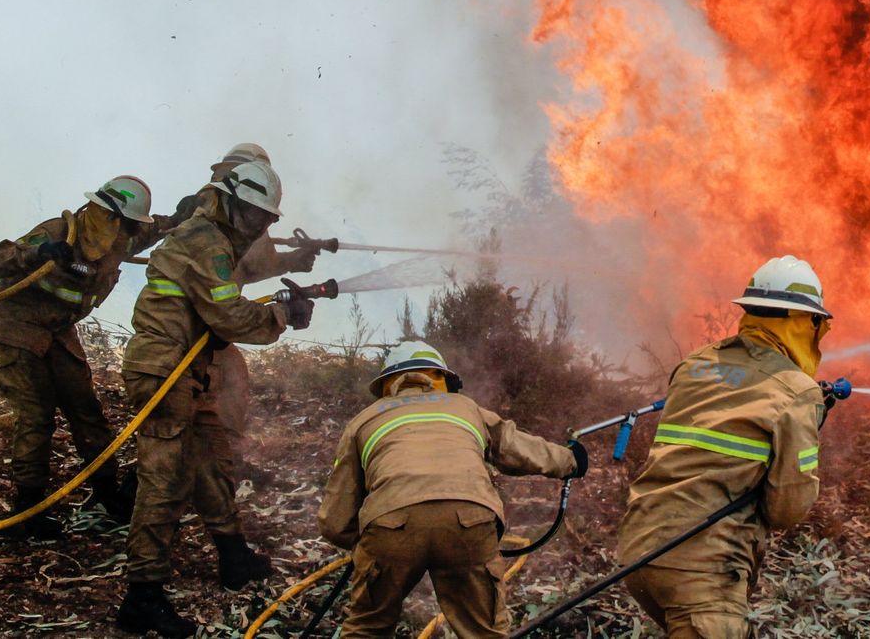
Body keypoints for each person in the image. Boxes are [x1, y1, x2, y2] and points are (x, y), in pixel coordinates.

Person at [115, 160, 316, 637]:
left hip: (191, 368)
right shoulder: (205, 239)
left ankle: (233, 555)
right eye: (250, 216)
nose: (256, 227)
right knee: (165, 481)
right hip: (164, 367)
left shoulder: (219, 241)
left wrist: (278, 306)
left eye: (264, 220)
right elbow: (228, 316)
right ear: (226, 200)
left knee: (213, 459)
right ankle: (142, 597)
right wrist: (282, 317)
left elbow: (222, 307)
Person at [616, 255, 832, 639]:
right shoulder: (796, 390)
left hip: (640, 552)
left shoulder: (696, 364)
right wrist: (806, 416)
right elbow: (787, 509)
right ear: (804, 321)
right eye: (817, 322)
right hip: (703, 568)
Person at [318, 341, 588, 638]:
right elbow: (519, 449)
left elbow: (335, 517)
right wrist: (571, 460)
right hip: (470, 518)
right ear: (442, 378)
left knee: (367, 628)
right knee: (484, 632)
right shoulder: (465, 407)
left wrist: (366, 548)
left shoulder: (364, 420)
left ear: (386, 383)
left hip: (389, 522)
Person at [0, 176, 159, 537]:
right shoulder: (56, 232)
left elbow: (164, 226)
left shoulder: (123, 238)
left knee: (86, 409)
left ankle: (106, 493)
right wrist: (37, 254)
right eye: (126, 224)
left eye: (132, 227)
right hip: (16, 327)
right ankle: (28, 510)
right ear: (105, 214)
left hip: (57, 329)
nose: (127, 234)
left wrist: (197, 209)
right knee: (35, 414)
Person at [172, 143, 323, 479]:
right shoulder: (210, 209)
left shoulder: (234, 212)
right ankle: (198, 469)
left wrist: (294, 262)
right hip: (189, 327)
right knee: (184, 413)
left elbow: (251, 267)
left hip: (211, 324)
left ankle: (224, 463)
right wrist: (280, 311)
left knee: (222, 387)